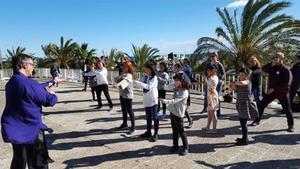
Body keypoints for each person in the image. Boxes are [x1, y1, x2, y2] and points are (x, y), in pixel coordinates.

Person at [1, 54, 58, 169]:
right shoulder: (29, 84)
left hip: (15, 130)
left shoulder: (11, 83)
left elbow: (34, 88)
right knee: (38, 163)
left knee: (19, 161)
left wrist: (50, 82)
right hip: (31, 131)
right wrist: (53, 94)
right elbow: (49, 101)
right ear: (24, 65)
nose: (33, 68)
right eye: (32, 64)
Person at [252, 52, 294, 132]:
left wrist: (274, 88)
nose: (275, 58)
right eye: (274, 57)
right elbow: (264, 68)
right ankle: (257, 120)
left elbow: (287, 83)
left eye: (277, 57)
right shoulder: (272, 67)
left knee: (287, 109)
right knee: (261, 105)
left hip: (282, 92)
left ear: (282, 59)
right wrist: (271, 63)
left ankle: (291, 125)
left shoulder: (286, 69)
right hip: (271, 92)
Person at [161, 74, 189, 156]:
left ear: (182, 81)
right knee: (174, 130)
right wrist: (174, 84)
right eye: (175, 80)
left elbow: (175, 100)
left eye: (177, 80)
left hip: (179, 113)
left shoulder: (184, 91)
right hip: (172, 111)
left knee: (181, 131)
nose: (175, 82)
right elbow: (166, 88)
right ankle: (175, 146)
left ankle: (186, 147)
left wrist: (165, 101)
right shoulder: (176, 87)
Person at [229, 68, 258, 146]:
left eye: (242, 75)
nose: (240, 76)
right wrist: (232, 86)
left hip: (245, 105)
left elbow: (242, 83)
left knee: (243, 123)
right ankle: (244, 138)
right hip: (241, 104)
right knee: (242, 123)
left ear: (247, 76)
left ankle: (245, 140)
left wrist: (235, 82)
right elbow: (232, 88)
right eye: (240, 75)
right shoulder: (239, 83)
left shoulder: (247, 82)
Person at [134, 64, 159, 142]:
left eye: (146, 69)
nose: (145, 71)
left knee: (155, 117)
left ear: (151, 70)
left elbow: (148, 87)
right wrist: (133, 80)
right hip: (146, 99)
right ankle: (148, 132)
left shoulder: (154, 78)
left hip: (153, 100)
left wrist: (138, 83)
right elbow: (138, 83)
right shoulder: (145, 77)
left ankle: (156, 134)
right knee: (148, 117)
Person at [201, 52, 225, 117]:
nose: (213, 57)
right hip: (208, 82)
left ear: (217, 57)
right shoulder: (208, 64)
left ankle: (218, 111)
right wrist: (205, 79)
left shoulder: (219, 64)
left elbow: (223, 74)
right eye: (211, 56)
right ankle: (205, 108)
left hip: (216, 83)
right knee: (207, 95)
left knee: (216, 96)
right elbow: (205, 72)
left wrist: (219, 80)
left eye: (214, 56)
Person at [114, 60, 135, 135]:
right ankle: (124, 123)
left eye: (125, 67)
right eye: (123, 66)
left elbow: (125, 82)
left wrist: (118, 84)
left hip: (128, 95)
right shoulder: (123, 73)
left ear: (129, 67)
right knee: (123, 109)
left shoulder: (129, 75)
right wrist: (120, 76)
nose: (124, 68)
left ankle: (133, 127)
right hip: (122, 94)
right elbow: (115, 79)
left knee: (129, 110)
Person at [172, 63, 194, 128]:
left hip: (183, 93)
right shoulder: (176, 74)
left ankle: (190, 120)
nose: (173, 69)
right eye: (174, 68)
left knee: (183, 107)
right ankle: (180, 121)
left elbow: (189, 83)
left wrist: (182, 87)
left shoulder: (183, 74)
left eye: (175, 68)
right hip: (177, 93)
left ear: (179, 68)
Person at [202, 65, 219, 133]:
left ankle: (214, 129)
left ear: (213, 70)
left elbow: (210, 84)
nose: (207, 71)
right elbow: (207, 84)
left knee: (213, 112)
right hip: (210, 95)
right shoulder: (211, 77)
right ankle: (208, 126)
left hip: (212, 95)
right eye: (207, 70)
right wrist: (206, 78)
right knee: (209, 112)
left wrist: (205, 78)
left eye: (209, 70)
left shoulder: (214, 77)